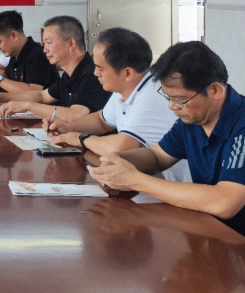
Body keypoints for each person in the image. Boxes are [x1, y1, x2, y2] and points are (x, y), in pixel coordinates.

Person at [88, 41, 245, 236]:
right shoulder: (192, 120)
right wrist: (119, 161)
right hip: (209, 229)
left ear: (215, 91)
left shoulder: (240, 124)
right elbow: (156, 156)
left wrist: (136, 180)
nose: (172, 106)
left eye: (180, 99)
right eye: (168, 97)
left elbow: (225, 202)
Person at [44, 28, 191, 182]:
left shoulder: (151, 96)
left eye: (101, 69)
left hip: (176, 184)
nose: (95, 73)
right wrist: (68, 127)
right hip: (154, 176)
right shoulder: (128, 86)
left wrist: (81, 138)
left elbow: (121, 148)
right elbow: (102, 121)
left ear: (127, 73)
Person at [0, 15, 111, 122]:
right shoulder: (69, 74)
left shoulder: (91, 74)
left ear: (71, 44)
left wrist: (27, 105)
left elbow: (74, 115)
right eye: (44, 44)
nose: (45, 50)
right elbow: (42, 96)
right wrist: (1, 97)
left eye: (49, 43)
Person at [0, 11, 58, 94]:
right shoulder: (15, 56)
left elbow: (33, 92)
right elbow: (10, 83)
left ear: (14, 35)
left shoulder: (38, 55)